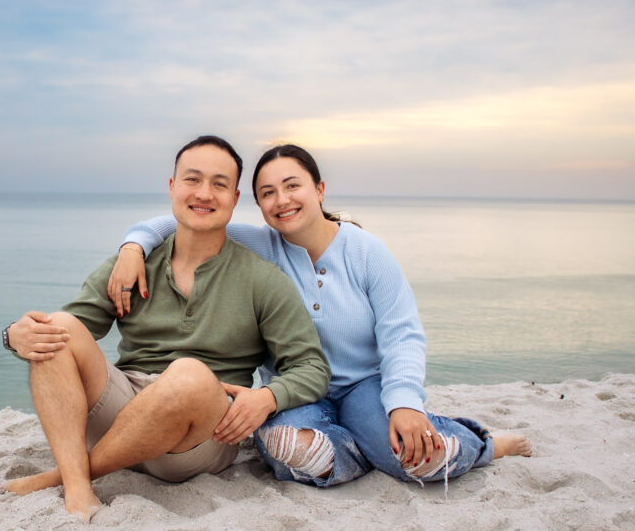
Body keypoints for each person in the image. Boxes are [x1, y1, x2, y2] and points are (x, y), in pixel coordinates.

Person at [107, 144, 532, 490]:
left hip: (365, 387)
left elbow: (402, 334)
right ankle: (361, 452)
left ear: (320, 189)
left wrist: (403, 402)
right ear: (257, 205)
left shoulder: (366, 251)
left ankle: (484, 444)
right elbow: (182, 219)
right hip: (296, 392)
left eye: (293, 186)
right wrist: (133, 247)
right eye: (268, 193)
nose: (282, 200)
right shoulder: (260, 245)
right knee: (285, 446)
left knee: (415, 459)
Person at [2, 136, 330, 521]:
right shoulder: (133, 264)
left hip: (200, 434)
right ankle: (78, 489)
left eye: (219, 184)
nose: (204, 193)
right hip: (122, 409)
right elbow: (72, 328)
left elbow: (311, 366)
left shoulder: (263, 280)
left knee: (187, 375)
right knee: (57, 327)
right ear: (172, 187)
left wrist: (267, 397)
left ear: (236, 197)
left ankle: (67, 475)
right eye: (192, 180)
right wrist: (14, 335)